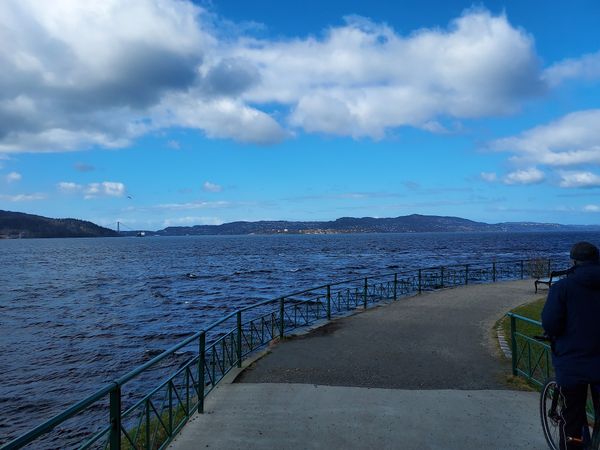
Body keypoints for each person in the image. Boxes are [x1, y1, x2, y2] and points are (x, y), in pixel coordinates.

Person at [542, 241, 600, 449]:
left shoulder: (563, 288)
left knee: (573, 420)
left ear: (573, 261)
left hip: (573, 364)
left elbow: (550, 323)